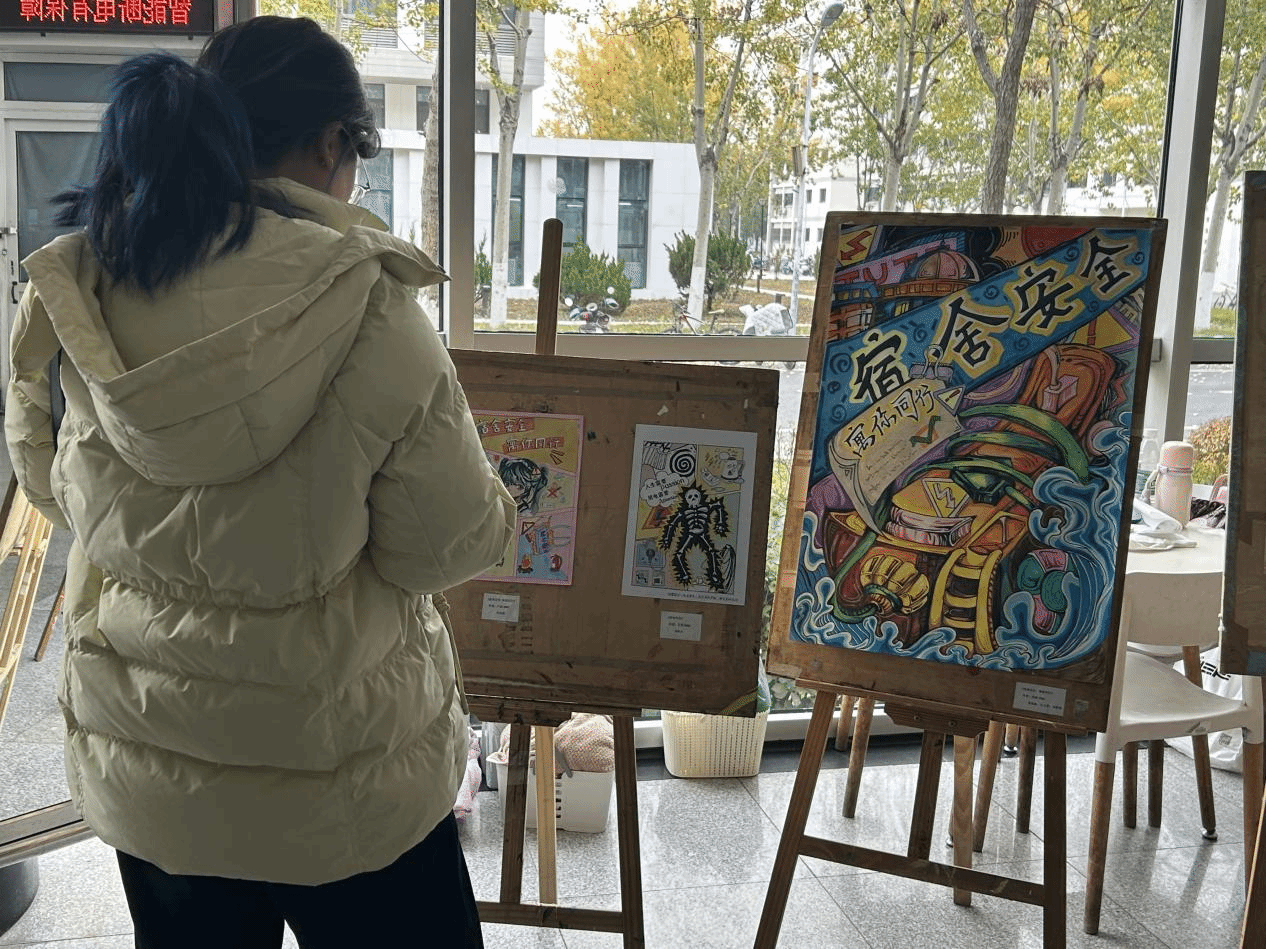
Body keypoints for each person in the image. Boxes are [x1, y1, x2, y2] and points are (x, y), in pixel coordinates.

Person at [4, 16, 514, 949]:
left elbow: (48, 484)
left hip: (157, 776)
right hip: (345, 780)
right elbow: (439, 545)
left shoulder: (85, 284)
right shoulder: (368, 303)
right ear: (330, 144)